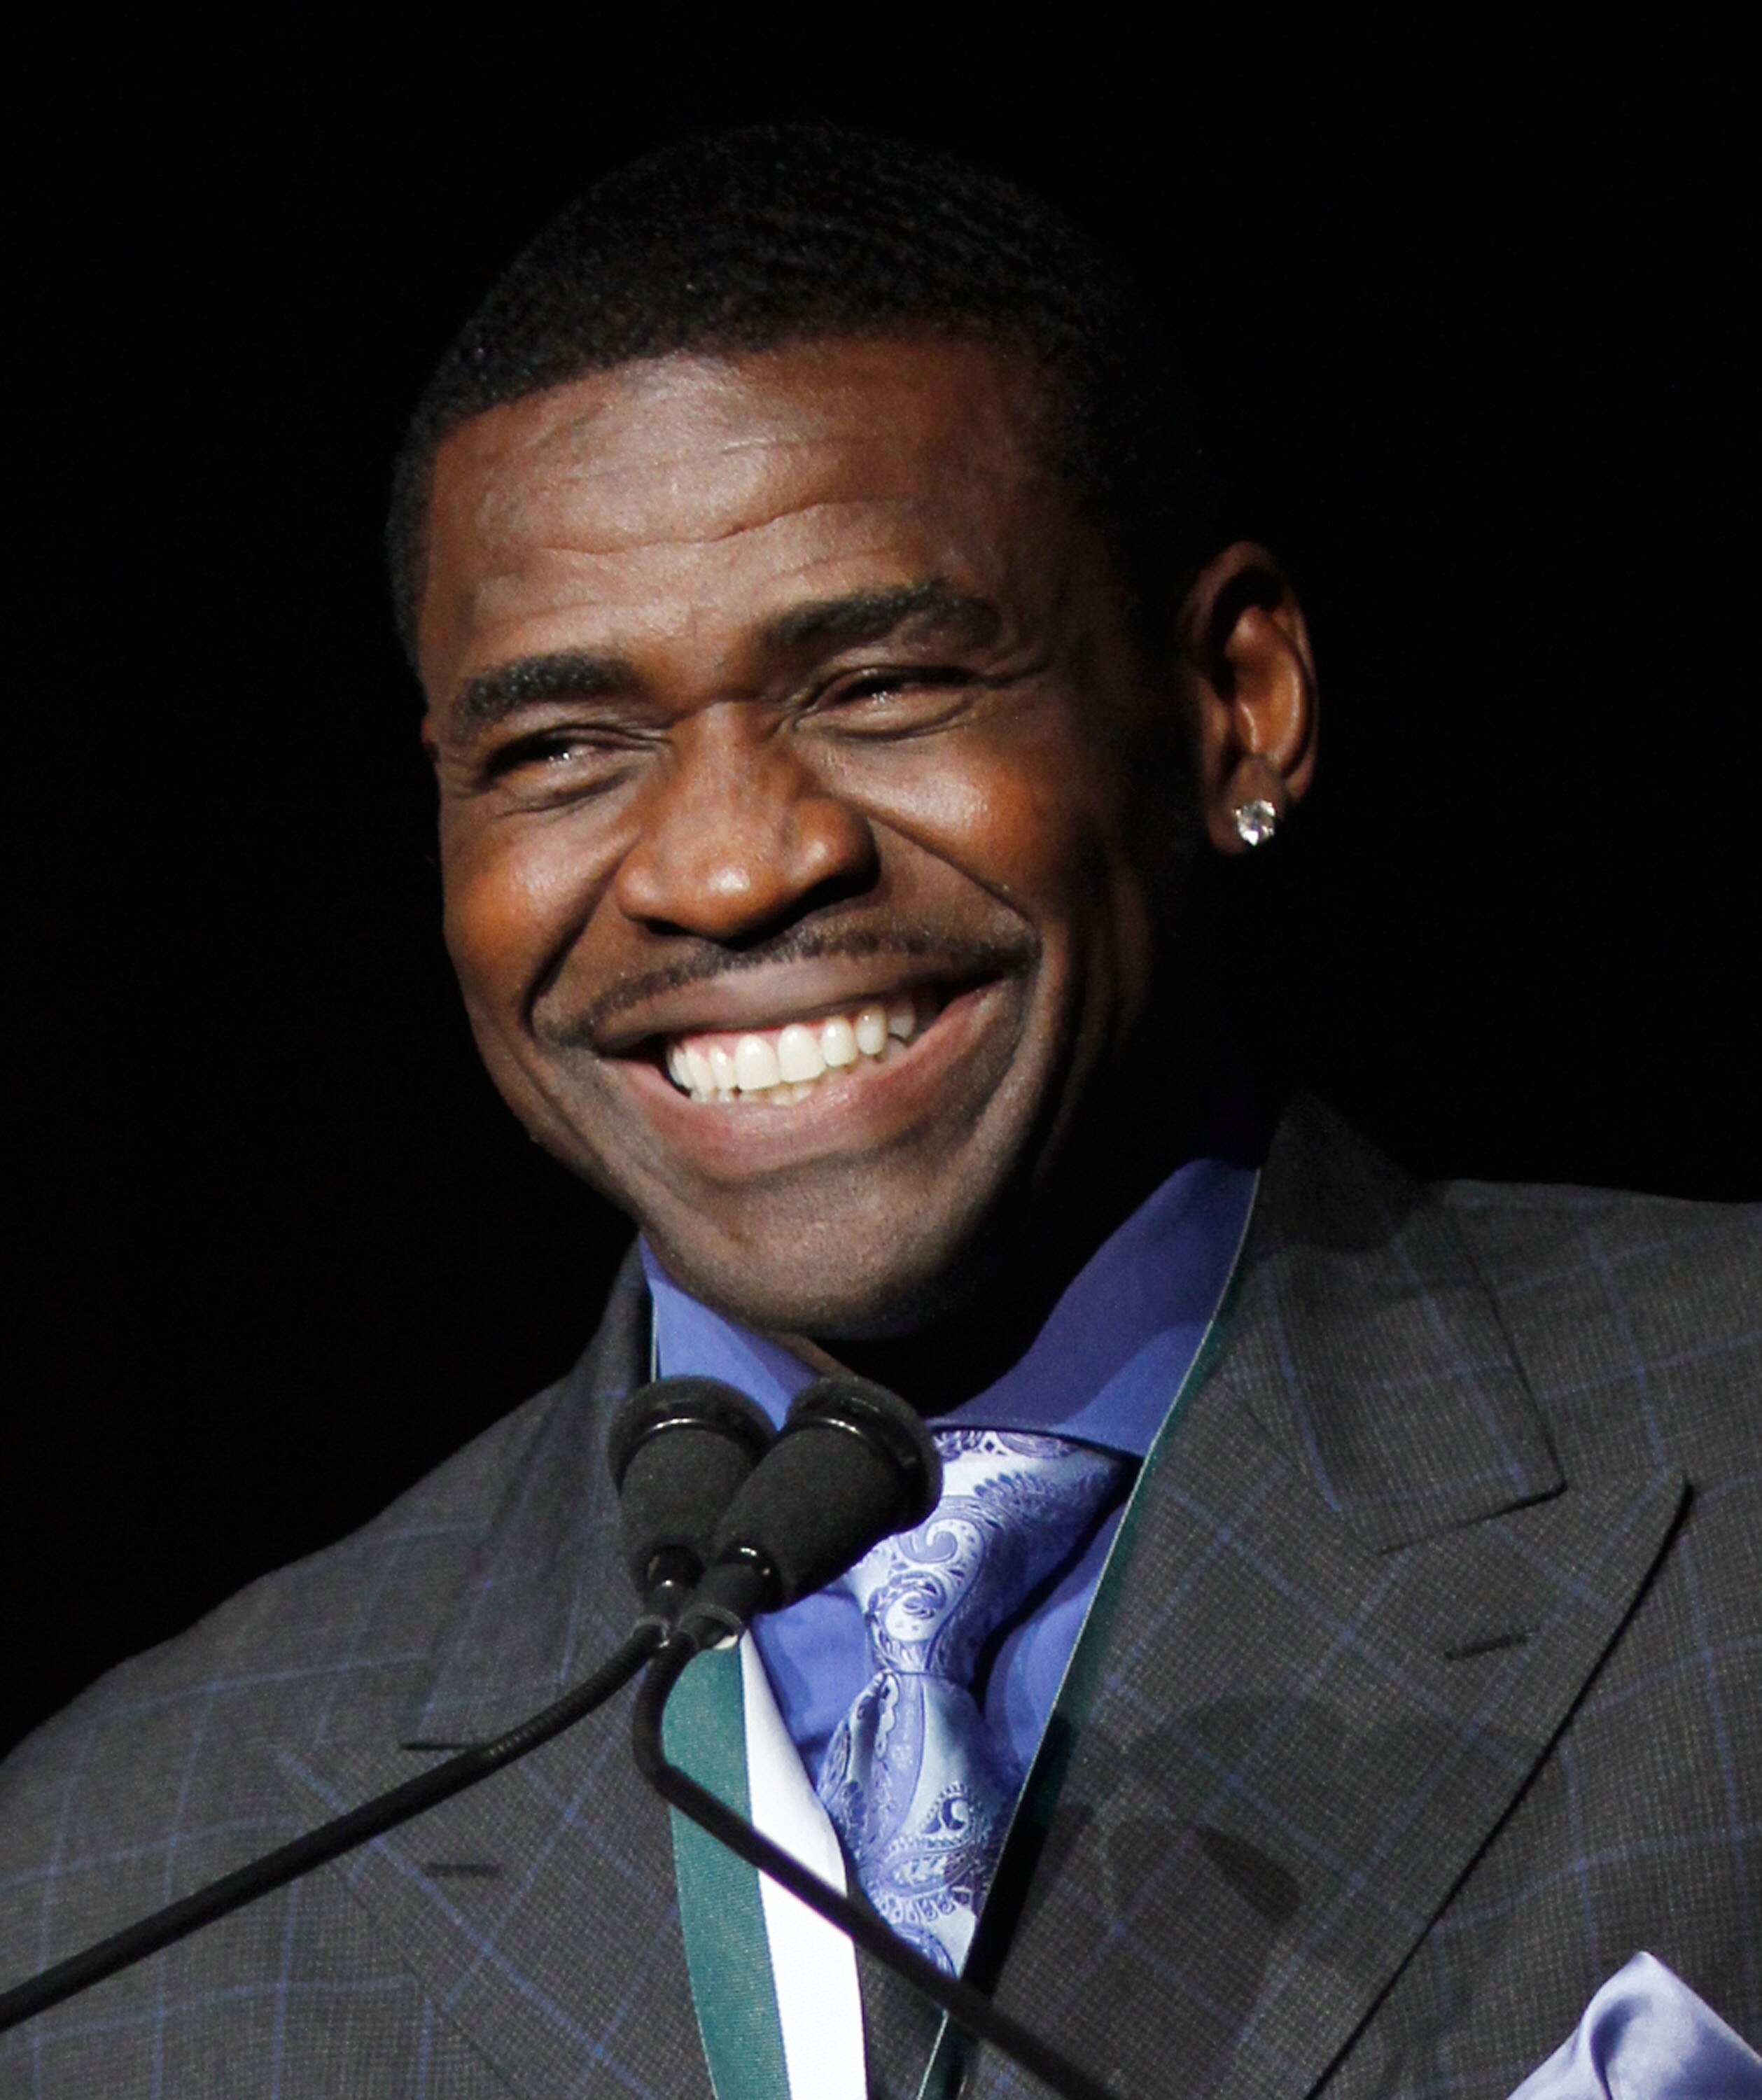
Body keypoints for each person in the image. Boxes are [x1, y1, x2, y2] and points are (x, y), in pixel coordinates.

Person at [1, 125, 1756, 2099]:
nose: (737, 869)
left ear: (1233, 704)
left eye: (889, 683)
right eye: (567, 746)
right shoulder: (116, 1889)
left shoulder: (1731, 1463)